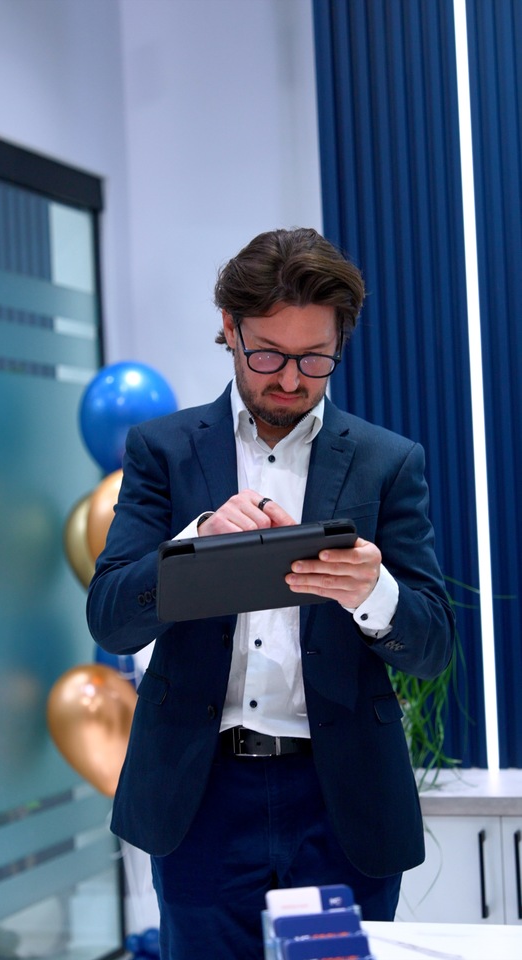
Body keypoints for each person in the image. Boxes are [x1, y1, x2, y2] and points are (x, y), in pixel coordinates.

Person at [87, 227, 455, 960]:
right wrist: (192, 545)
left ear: (340, 341)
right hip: (201, 798)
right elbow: (111, 619)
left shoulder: (387, 462)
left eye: (315, 358)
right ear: (230, 329)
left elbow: (432, 645)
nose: (290, 379)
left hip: (340, 797)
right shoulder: (162, 451)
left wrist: (373, 590)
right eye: (268, 356)